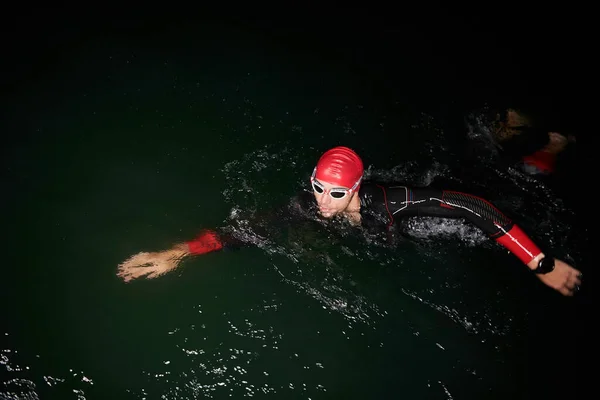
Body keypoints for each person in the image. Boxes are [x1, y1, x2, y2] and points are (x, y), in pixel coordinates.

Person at [117, 146, 582, 296]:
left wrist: (541, 264)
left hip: (434, 218)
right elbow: (248, 230)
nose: (323, 200)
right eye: (319, 187)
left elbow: (475, 209)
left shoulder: (394, 203)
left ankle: (550, 149)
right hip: (390, 232)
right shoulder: (309, 203)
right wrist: (176, 253)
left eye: (336, 192)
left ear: (356, 188)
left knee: (517, 189)